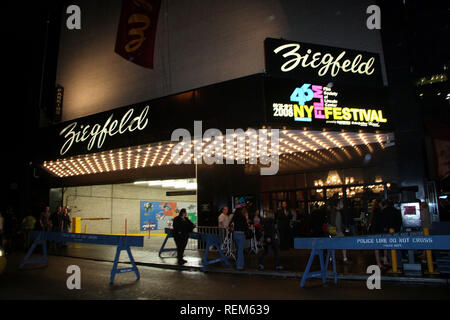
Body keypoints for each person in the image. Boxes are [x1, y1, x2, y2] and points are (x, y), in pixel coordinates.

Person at [369, 199, 389, 269]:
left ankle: (379, 262)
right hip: (379, 231)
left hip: (376, 231)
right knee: (383, 246)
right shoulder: (379, 211)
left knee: (377, 247)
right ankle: (383, 261)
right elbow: (381, 222)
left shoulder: (374, 211)